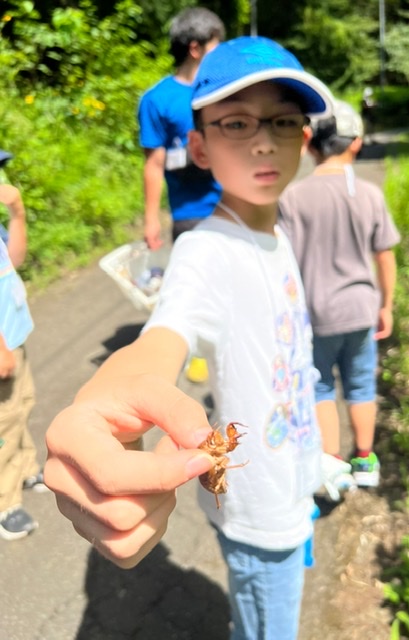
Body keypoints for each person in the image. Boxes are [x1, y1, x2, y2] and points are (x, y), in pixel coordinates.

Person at [45, 36, 336, 639]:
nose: (264, 140)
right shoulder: (206, 250)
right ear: (199, 147)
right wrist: (110, 399)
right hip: (259, 513)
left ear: (304, 138)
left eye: (283, 120)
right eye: (237, 123)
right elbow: (163, 335)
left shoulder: (278, 233)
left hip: (293, 484)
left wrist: (318, 458)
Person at [278, 100, 400, 498]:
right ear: (357, 142)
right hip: (361, 309)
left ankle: (330, 464)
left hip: (314, 314)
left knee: (320, 387)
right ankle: (364, 459)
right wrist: (386, 305)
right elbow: (385, 254)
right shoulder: (369, 193)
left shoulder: (292, 197)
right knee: (361, 385)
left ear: (309, 143)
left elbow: (283, 263)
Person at [138, 7, 225, 249]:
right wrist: (151, 219)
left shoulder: (225, 91)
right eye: (215, 48)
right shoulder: (157, 100)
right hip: (190, 215)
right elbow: (154, 164)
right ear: (195, 49)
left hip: (236, 205)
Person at [0, 161, 47, 541]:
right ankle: (5, 503)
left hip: (13, 336)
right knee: (4, 422)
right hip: (2, 346)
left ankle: (26, 468)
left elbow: (14, 259)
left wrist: (17, 212)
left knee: (23, 404)